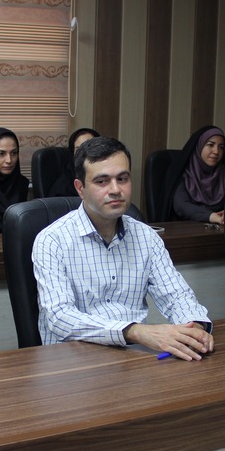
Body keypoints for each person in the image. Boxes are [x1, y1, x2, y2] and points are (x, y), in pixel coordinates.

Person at [33, 136, 214, 361]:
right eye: (102, 181)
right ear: (80, 188)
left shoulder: (146, 237)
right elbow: (60, 318)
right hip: (72, 364)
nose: (115, 189)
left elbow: (176, 295)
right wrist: (136, 332)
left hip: (132, 359)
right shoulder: (52, 240)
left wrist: (193, 327)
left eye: (122, 178)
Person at [165, 125, 225, 224]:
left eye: (221, 147)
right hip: (185, 229)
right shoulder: (183, 172)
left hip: (218, 229)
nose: (216, 151)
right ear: (199, 146)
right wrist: (210, 216)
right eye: (211, 145)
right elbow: (181, 205)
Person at [47, 127, 100, 197]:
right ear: (73, 153)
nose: (84, 153)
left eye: (89, 147)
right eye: (79, 150)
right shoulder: (64, 186)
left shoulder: (108, 172)